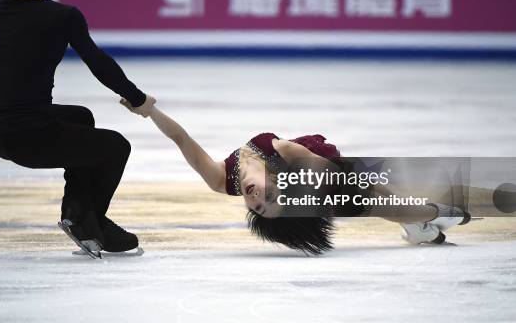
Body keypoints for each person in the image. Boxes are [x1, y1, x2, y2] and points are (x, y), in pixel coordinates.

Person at [0, 0, 155, 258]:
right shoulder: (62, 16)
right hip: (29, 134)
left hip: (0, 130)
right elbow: (97, 61)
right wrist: (136, 98)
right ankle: (90, 221)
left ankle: (78, 213)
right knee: (115, 147)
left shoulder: (0, 4)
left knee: (81, 117)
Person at [121, 101, 471, 255]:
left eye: (257, 207)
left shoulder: (221, 179)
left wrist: (150, 111)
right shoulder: (282, 160)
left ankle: (418, 222)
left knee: (375, 198)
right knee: (377, 200)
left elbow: (181, 139)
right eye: (268, 201)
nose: (255, 197)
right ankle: (426, 215)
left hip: (319, 169)